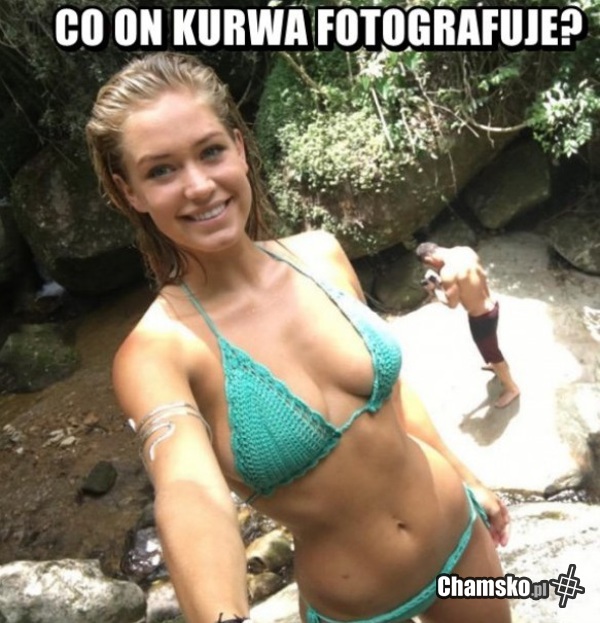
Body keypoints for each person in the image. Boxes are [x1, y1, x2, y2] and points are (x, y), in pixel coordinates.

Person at [86, 52, 512, 623]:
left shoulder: (321, 255)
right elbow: (189, 493)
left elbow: (389, 398)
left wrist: (466, 477)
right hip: (354, 608)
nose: (199, 185)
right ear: (130, 192)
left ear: (239, 148)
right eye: (161, 171)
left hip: (461, 543)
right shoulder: (156, 351)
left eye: (210, 151)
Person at [415, 242, 520, 409]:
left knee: (493, 354)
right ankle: (494, 365)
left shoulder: (447, 272)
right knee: (490, 347)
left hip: (481, 318)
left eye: (428, 264)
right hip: (493, 305)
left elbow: (452, 303)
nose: (433, 267)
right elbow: (468, 283)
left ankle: (512, 388)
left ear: (428, 258)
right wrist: (442, 284)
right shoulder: (465, 251)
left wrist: (434, 290)